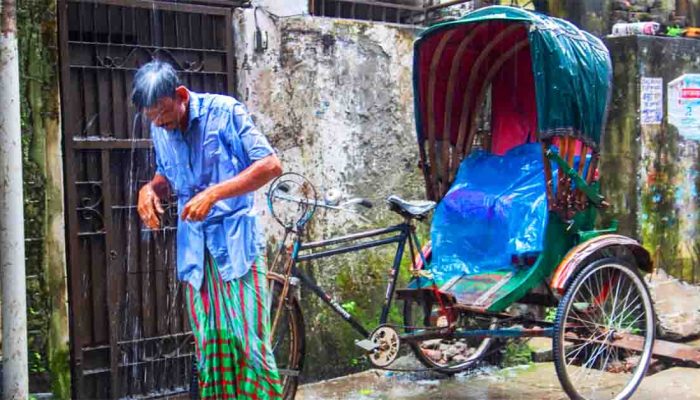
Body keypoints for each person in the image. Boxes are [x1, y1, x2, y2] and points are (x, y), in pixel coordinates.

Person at [133, 60, 283, 399]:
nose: (160, 122)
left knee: (250, 345)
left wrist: (214, 193)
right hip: (195, 254)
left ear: (181, 95)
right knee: (210, 347)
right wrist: (150, 190)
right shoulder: (160, 128)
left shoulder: (224, 111)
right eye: (152, 117)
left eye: (164, 112)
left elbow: (270, 165)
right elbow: (166, 175)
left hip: (235, 246)